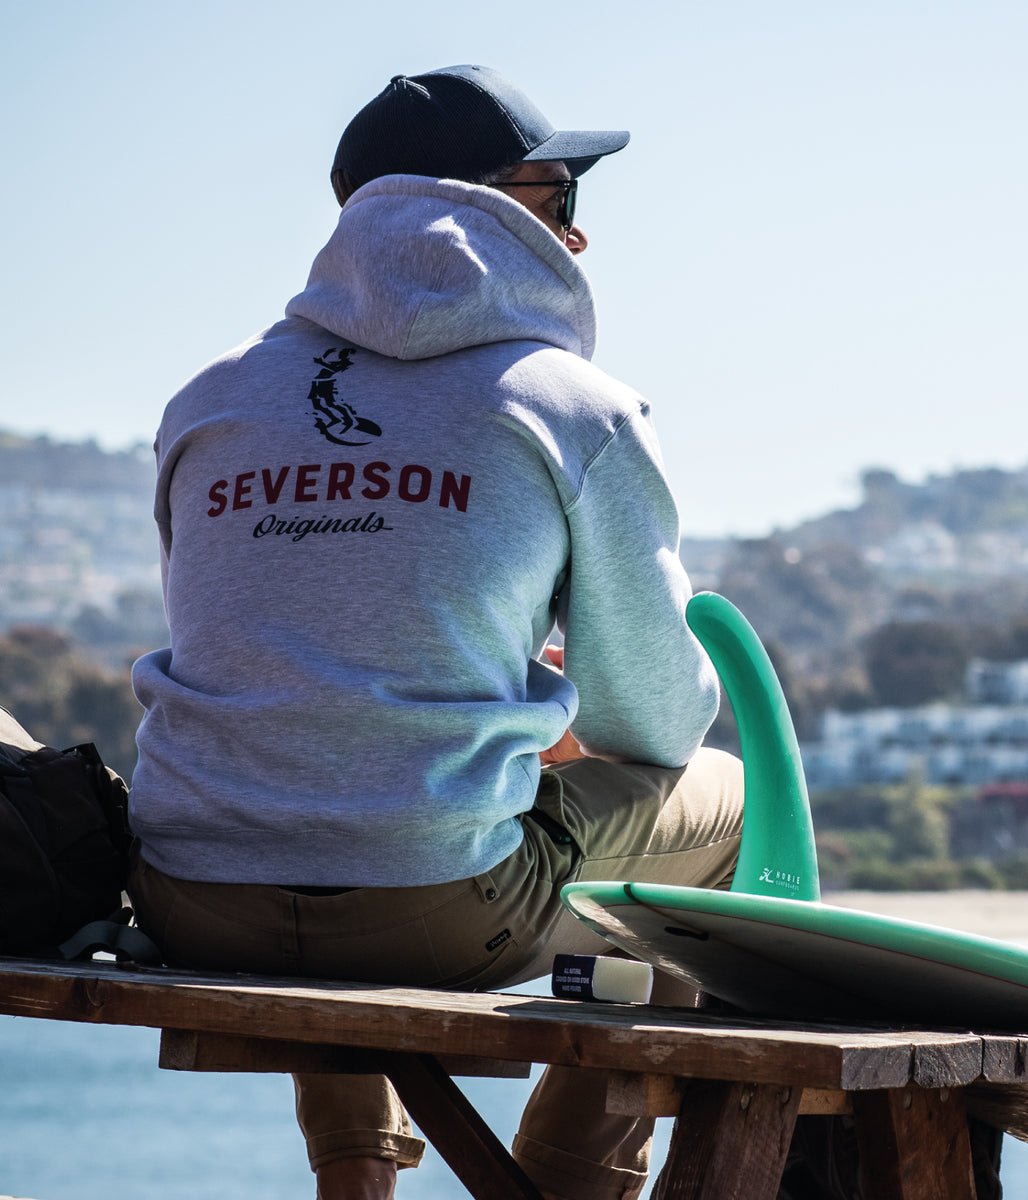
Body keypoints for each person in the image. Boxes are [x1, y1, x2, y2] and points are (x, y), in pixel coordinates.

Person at [128, 65, 743, 1200]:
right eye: (561, 201)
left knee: (323, 789)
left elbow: (280, 665)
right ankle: (571, 1186)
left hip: (186, 891)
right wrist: (545, 716)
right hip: (438, 910)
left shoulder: (208, 401)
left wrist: (494, 710)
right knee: (720, 804)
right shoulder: (571, 407)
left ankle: (355, 1182)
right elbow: (649, 717)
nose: (582, 236)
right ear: (500, 209)